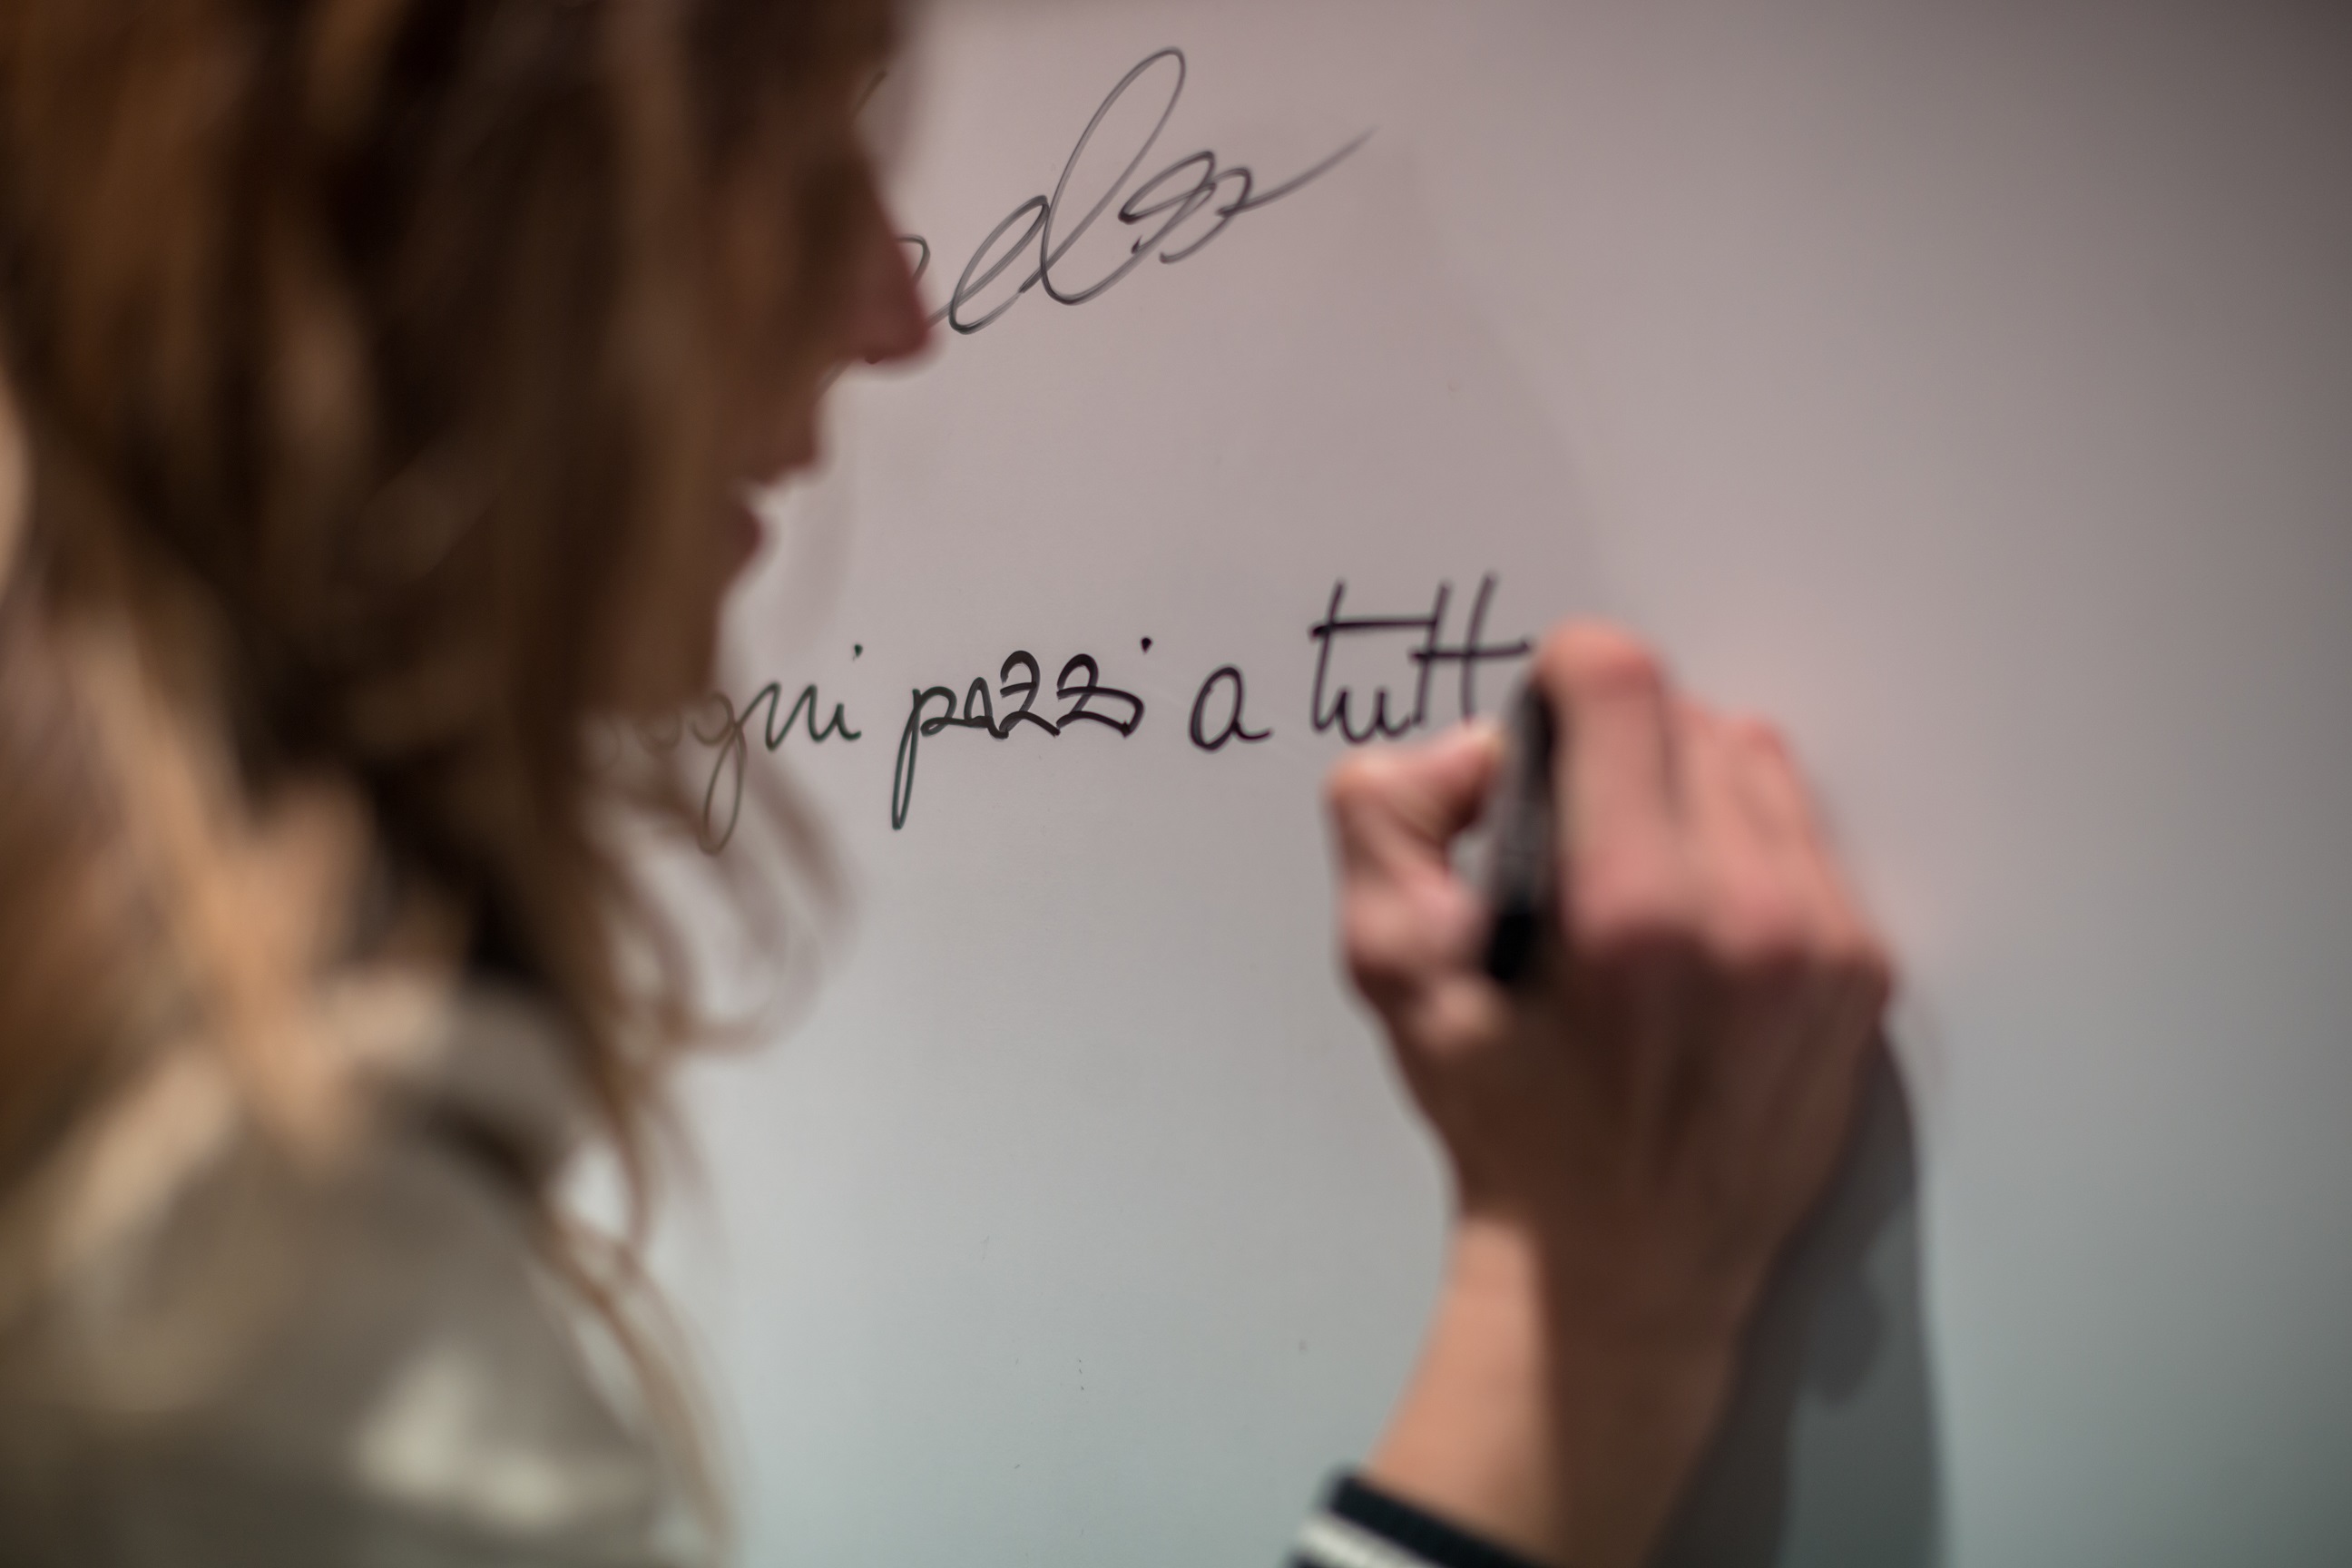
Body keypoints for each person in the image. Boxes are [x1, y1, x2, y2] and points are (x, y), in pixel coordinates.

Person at [0, 1, 1892, 1564]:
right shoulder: (202, 1264)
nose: (898, 311)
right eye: (796, 161)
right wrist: (1581, 1318)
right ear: (454, 212)